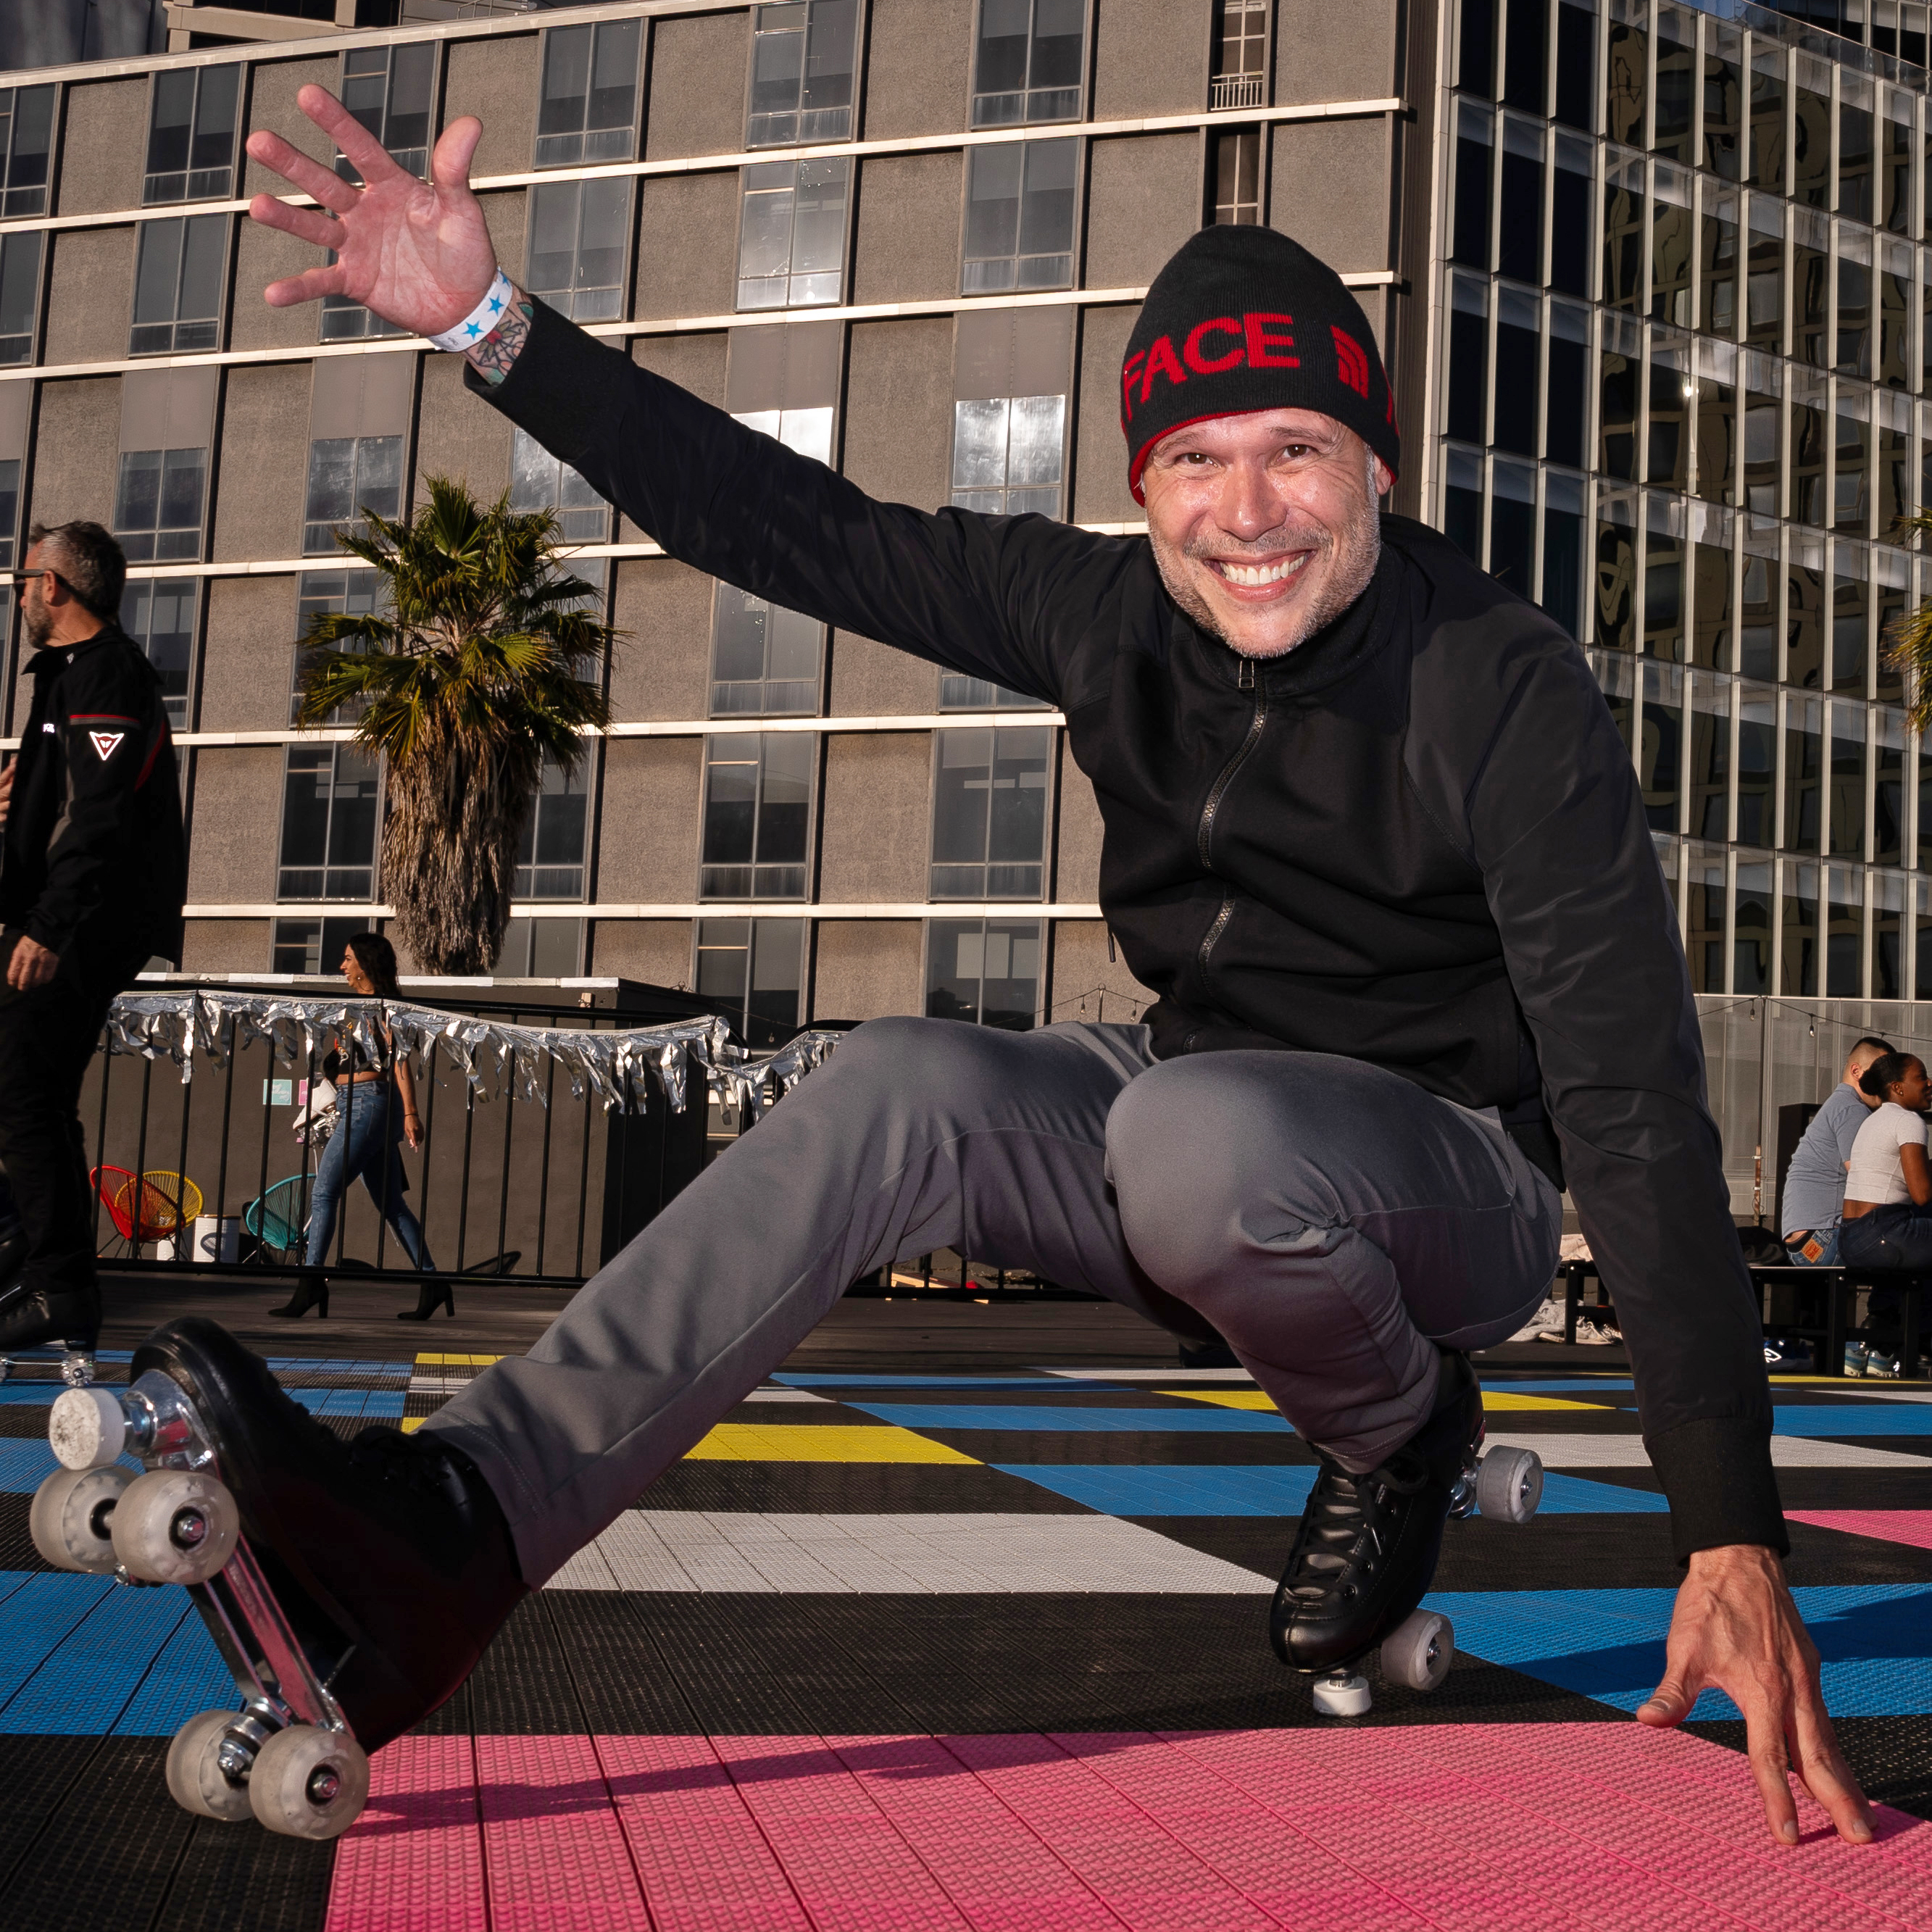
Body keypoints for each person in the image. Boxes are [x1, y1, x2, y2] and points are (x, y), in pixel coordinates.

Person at [115, 88, 1868, 1851]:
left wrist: (1724, 1526)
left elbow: (1632, 1105)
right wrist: (498, 327)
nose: (1244, 512)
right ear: (1140, 485)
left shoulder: (1499, 681)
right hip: (1187, 1120)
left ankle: (1401, 1420)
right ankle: (450, 1533)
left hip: (1452, 1176)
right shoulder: (1100, 611)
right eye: (1196, 460)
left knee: (1201, 1137)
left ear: (1375, 465)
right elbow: (787, 524)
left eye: (1294, 450)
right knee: (893, 1079)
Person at [0, 522, 186, 1360]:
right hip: (58, 915)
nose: (19, 597)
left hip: (83, 922)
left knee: (27, 1091)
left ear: (53, 586)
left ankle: (58, 1282)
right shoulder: (70, 677)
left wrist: (48, 925)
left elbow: (104, 816)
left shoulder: (108, 670)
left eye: (20, 580)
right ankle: (35, 1254)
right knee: (27, 1089)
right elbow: (66, 796)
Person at [275, 933, 444, 1320]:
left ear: (365, 964)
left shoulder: (385, 1008)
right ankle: (433, 1282)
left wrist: (411, 1114)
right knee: (391, 1204)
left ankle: (312, 1281)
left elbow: (401, 1062)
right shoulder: (357, 1010)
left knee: (323, 1194)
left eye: (348, 958)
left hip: (368, 1106)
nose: (342, 966)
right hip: (363, 1105)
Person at [1836, 1051, 1931, 1376]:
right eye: (1921, 1077)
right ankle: (1914, 1345)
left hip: (1852, 1237)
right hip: (1882, 1232)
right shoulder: (1909, 1121)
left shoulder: (1873, 1120)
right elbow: (1922, 1194)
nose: (1929, 1083)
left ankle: (1882, 1337)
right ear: (1898, 1088)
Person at [1781, 1036, 1894, 1267]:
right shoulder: (1851, 1108)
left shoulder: (1838, 1105)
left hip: (1806, 1242)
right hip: (1824, 1237)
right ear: (1857, 1071)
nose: (1888, 1085)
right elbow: (1867, 1178)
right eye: (1882, 1076)